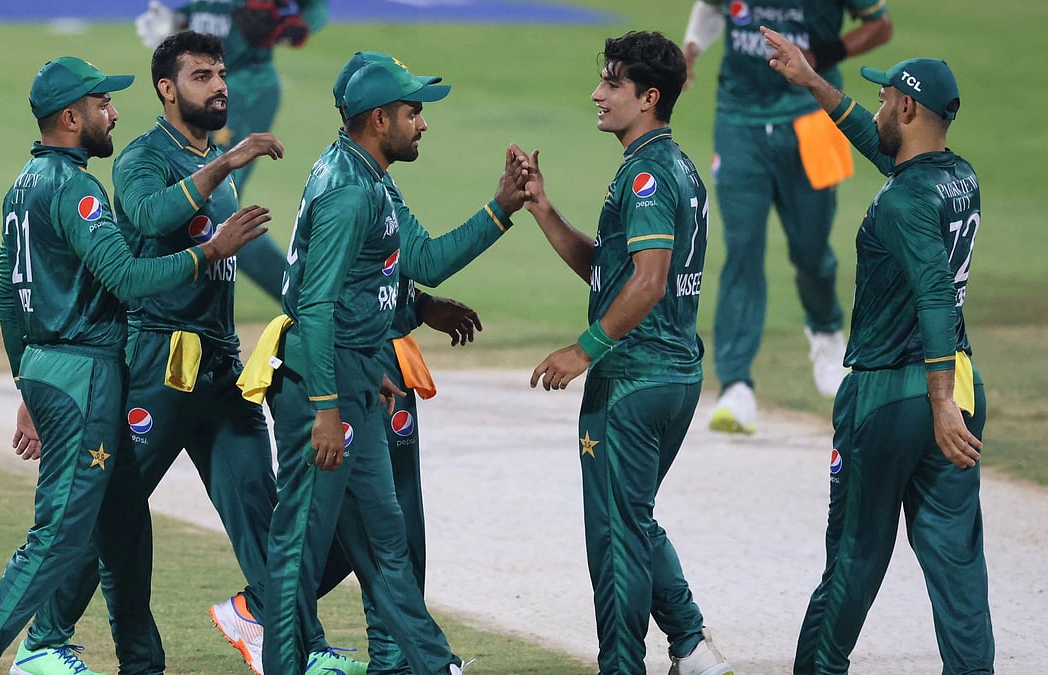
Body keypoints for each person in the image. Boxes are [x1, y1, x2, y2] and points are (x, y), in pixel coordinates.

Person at [0, 55, 268, 675]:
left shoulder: (23, 185)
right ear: (70, 117)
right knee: (59, 535)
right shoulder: (76, 189)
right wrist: (212, 250)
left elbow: (9, 294)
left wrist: (25, 378)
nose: (112, 113)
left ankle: (141, 663)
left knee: (123, 526)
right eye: (101, 105)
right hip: (84, 372)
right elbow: (130, 278)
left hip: (55, 368)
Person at [256, 52, 527, 675]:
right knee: (299, 548)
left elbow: (422, 262)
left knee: (385, 541)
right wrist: (326, 404)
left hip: (351, 376)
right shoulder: (351, 193)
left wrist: (499, 207)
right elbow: (314, 305)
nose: (422, 123)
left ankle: (433, 664)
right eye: (413, 112)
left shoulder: (368, 176)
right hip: (318, 389)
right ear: (379, 119)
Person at [762, 27, 992, 674]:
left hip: (891, 393)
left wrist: (937, 400)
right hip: (962, 386)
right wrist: (813, 83)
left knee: (854, 559)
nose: (882, 107)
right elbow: (882, 143)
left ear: (911, 110)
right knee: (957, 564)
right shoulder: (956, 178)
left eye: (887, 98)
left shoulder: (902, 200)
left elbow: (936, 296)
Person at [514, 31, 733, 675]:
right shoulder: (678, 166)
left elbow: (648, 280)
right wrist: (544, 210)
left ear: (650, 97)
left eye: (612, 83)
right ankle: (691, 646)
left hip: (634, 381)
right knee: (632, 517)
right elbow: (614, 273)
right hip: (675, 375)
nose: (597, 93)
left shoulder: (646, 173)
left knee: (614, 538)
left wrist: (584, 350)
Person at [681, 0, 892, 433]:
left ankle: (826, 331)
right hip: (739, 120)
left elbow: (880, 25)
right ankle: (735, 386)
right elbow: (710, 6)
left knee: (811, 249)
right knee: (742, 249)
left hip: (813, 116)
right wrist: (691, 48)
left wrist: (821, 57)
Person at [136, 0, 330, 300]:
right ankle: (305, 300)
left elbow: (315, 7)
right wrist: (178, 19)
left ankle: (305, 301)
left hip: (247, 87)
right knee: (204, 203)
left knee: (216, 206)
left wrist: (294, 27)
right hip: (210, 88)